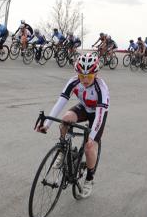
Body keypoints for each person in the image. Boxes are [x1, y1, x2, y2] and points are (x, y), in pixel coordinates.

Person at [35, 52, 109, 199]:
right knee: (66, 119)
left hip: (98, 114)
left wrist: (92, 138)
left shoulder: (102, 88)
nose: (85, 79)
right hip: (84, 108)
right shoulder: (73, 82)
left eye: (89, 76)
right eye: (82, 76)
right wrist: (47, 124)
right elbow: (60, 102)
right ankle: (63, 150)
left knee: (89, 147)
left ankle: (89, 179)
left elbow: (100, 115)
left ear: (96, 74)